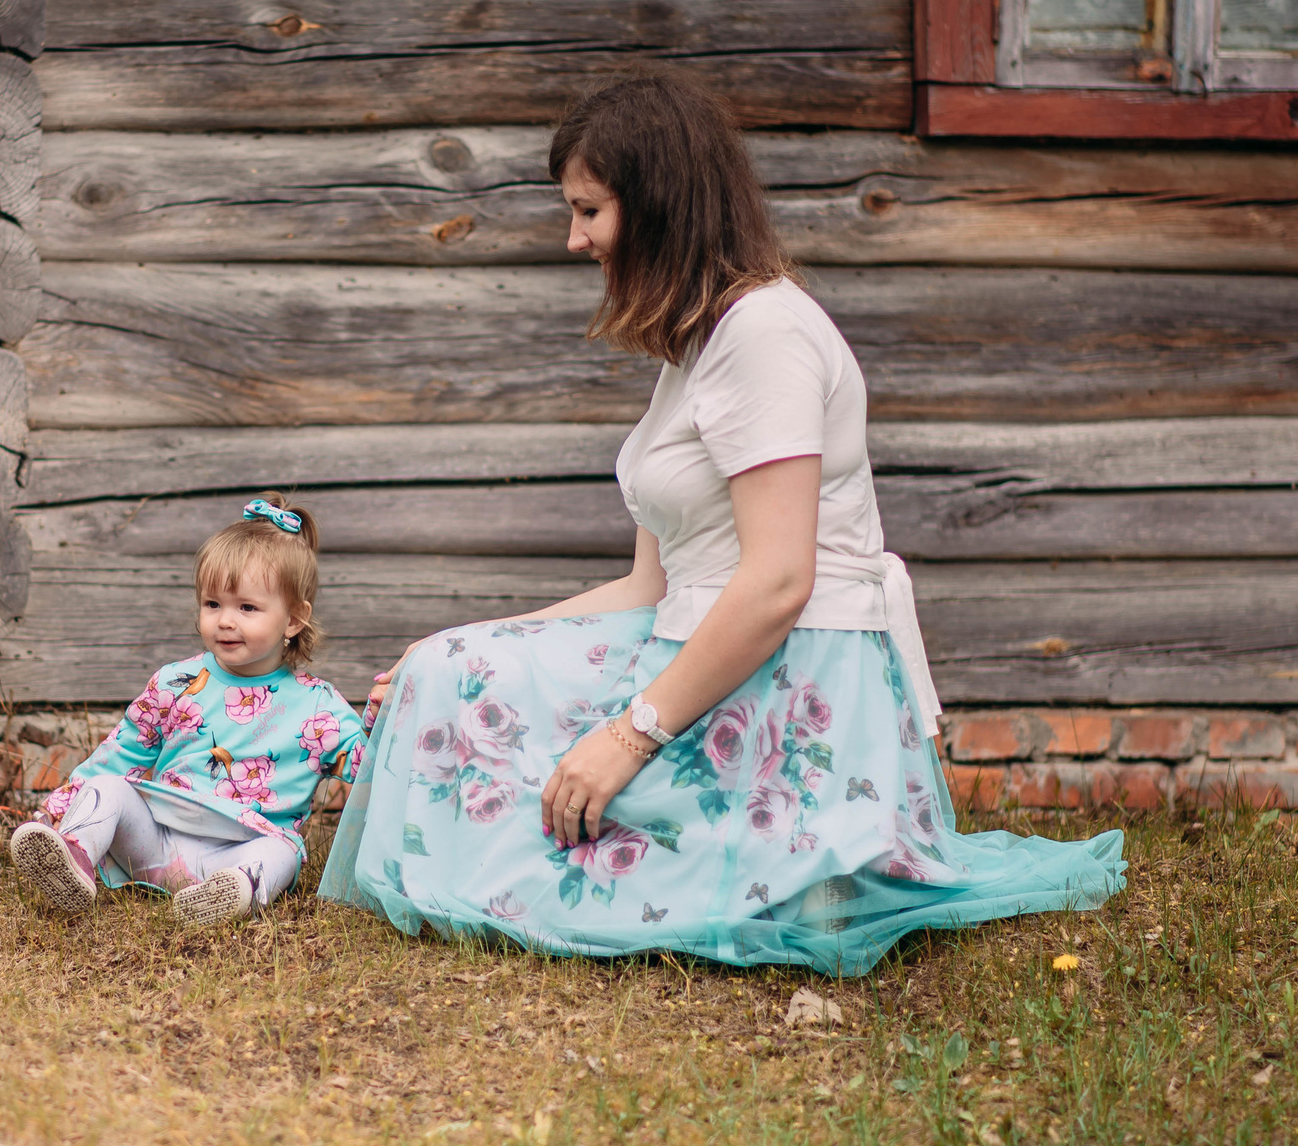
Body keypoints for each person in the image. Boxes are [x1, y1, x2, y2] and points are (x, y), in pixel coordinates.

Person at [318, 74, 1125, 973]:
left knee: (569, 848)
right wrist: (472, 638)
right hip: (685, 633)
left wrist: (626, 739)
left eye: (589, 210)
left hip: (788, 663)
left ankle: (804, 857)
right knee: (446, 671)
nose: (573, 237)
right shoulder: (699, 345)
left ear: (658, 204)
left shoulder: (764, 334)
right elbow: (647, 585)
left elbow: (780, 580)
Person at [11, 497, 367, 928]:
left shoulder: (318, 706)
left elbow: (367, 766)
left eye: (247, 607)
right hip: (157, 842)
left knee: (282, 853)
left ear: (294, 620)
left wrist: (386, 719)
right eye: (212, 604)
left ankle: (231, 891)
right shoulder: (176, 682)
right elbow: (122, 753)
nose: (225, 621)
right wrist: (61, 806)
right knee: (109, 786)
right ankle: (75, 856)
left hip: (243, 845)